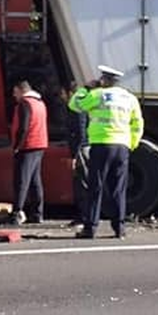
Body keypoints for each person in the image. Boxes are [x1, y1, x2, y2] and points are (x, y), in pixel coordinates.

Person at [68, 65, 144, 239]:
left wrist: (85, 88)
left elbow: (75, 105)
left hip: (101, 145)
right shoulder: (130, 98)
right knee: (118, 188)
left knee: (96, 187)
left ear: (103, 80)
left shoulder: (98, 95)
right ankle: (119, 229)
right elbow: (138, 123)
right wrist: (131, 144)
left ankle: (90, 228)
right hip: (122, 146)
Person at [10, 80, 48, 225]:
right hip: (40, 143)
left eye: (15, 92)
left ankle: (16, 213)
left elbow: (23, 127)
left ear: (22, 90)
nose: (14, 95)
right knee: (35, 181)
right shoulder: (40, 103)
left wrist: (17, 146)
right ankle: (37, 213)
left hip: (28, 145)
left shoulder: (25, 104)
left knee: (21, 180)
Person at [60, 83, 89, 227]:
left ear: (71, 93)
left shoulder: (77, 110)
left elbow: (80, 133)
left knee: (81, 184)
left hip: (81, 151)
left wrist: (76, 156)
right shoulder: (78, 107)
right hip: (81, 150)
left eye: (63, 93)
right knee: (80, 183)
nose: (61, 96)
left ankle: (83, 217)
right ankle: (82, 216)